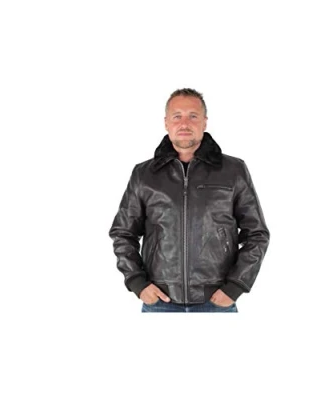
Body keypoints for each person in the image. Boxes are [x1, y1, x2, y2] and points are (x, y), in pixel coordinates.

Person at [109, 88, 270, 313]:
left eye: (193, 116)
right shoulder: (144, 174)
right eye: (177, 116)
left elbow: (257, 234)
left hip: (216, 301)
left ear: (204, 122)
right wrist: (137, 282)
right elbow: (123, 233)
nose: (184, 123)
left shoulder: (233, 171)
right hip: (160, 302)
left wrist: (235, 286)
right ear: (166, 123)